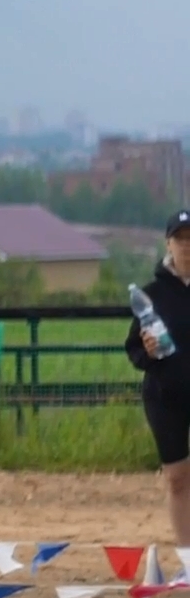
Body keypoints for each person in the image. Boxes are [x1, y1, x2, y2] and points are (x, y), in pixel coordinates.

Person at [129, 210, 190, 552]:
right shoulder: (150, 295)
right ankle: (187, 559)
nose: (187, 246)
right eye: (180, 238)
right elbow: (134, 348)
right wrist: (148, 350)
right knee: (178, 479)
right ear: (168, 244)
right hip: (165, 396)